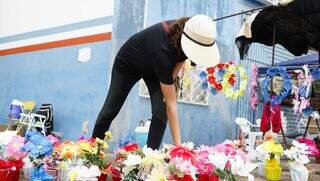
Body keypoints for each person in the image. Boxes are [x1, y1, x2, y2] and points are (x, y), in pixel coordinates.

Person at [92, 14, 220, 149]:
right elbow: (171, 104)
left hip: (154, 69)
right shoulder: (164, 51)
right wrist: (179, 146)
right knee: (110, 110)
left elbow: (173, 73)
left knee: (160, 111)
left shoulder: (187, 33)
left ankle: (150, 157)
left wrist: (171, 84)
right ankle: (92, 149)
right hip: (128, 64)